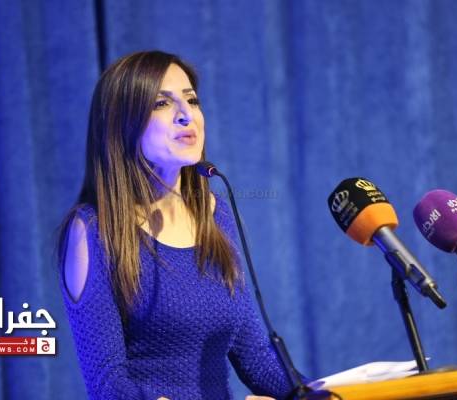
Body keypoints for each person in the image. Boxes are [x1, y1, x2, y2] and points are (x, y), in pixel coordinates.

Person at [58, 50, 294, 400]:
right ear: (122, 124)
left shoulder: (216, 215)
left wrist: (318, 394)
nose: (186, 116)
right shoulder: (92, 231)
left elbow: (256, 359)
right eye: (161, 104)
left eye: (192, 100)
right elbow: (109, 385)